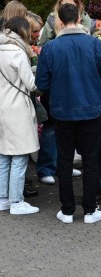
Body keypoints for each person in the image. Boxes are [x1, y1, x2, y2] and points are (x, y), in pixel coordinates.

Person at [35, 2, 101, 224]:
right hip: (90, 109)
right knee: (90, 159)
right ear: (79, 19)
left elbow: (41, 82)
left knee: (65, 159)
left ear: (59, 21)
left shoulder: (50, 48)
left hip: (62, 110)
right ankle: (90, 209)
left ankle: (67, 209)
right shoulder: (94, 44)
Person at [0, 16, 40, 216]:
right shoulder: (17, 52)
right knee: (20, 155)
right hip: (17, 108)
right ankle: (16, 201)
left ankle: (2, 198)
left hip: (1, 107)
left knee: (3, 155)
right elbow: (31, 84)